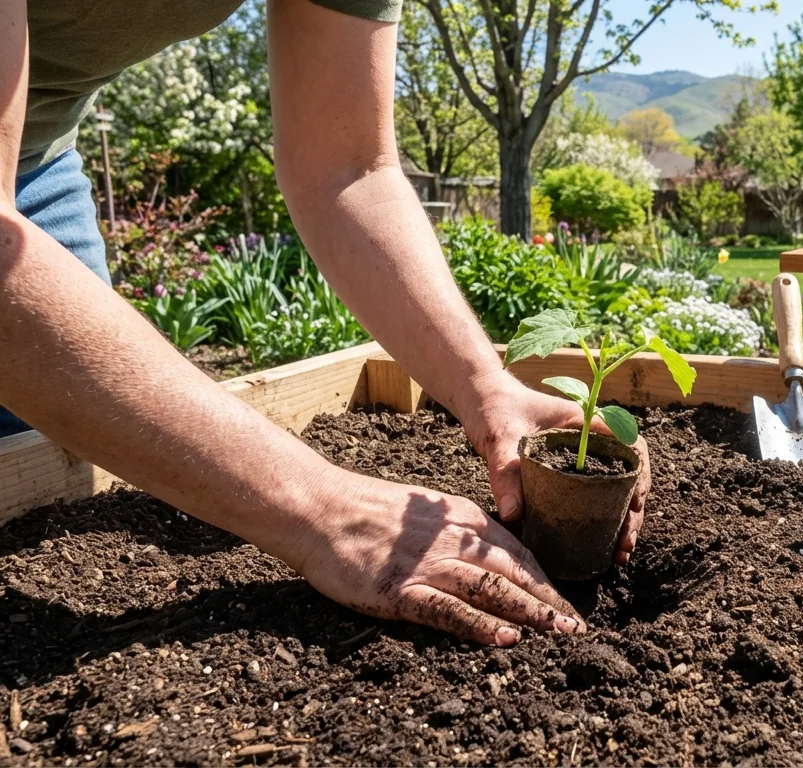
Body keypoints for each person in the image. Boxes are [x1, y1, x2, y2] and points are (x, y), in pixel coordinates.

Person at [0, 0, 650, 646]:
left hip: (37, 153)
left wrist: (485, 386)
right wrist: (322, 508)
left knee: (37, 462)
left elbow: (348, 166)